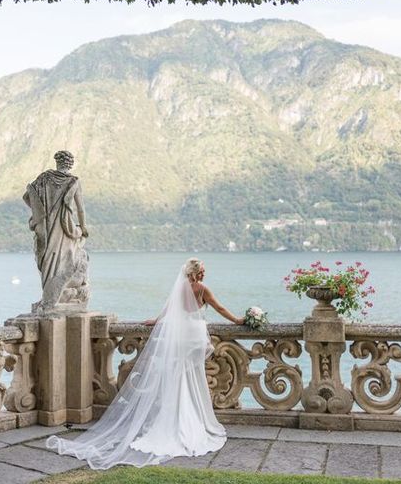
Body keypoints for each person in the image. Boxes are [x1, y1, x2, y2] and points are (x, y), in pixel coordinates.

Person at [46, 258, 244, 469]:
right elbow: (220, 308)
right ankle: (188, 421)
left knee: (180, 376)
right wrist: (238, 321)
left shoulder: (180, 289)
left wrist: (156, 320)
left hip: (180, 337)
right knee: (189, 376)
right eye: (202, 271)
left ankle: (175, 419)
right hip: (194, 337)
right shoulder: (202, 289)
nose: (204, 274)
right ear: (195, 273)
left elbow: (169, 311)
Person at [23, 150, 89, 313]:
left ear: (57, 162)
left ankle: (49, 299)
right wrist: (84, 227)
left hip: (45, 227)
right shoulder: (73, 181)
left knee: (47, 263)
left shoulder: (44, 178)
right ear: (70, 164)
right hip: (64, 229)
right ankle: (50, 300)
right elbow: (80, 209)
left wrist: (40, 211)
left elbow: (27, 196)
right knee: (63, 262)